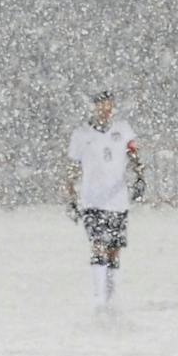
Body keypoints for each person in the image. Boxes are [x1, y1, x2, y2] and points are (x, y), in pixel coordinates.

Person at [65, 90, 144, 311]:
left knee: (114, 249)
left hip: (118, 200)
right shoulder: (81, 135)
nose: (106, 110)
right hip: (93, 201)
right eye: (101, 105)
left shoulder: (123, 130)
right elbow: (72, 168)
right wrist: (71, 197)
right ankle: (98, 296)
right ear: (94, 107)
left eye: (109, 105)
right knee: (98, 245)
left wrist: (140, 176)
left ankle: (112, 294)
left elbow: (134, 155)